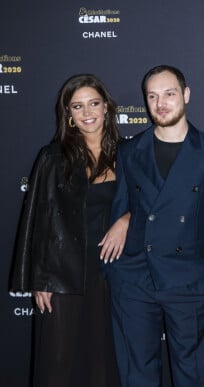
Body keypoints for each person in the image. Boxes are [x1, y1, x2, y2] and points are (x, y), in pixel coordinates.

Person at [106, 65, 204, 387]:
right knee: (137, 374)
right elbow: (124, 205)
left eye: (169, 94)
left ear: (185, 95)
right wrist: (125, 219)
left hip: (190, 281)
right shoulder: (130, 150)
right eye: (152, 96)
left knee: (194, 375)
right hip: (135, 279)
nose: (161, 103)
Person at [10, 74, 126, 387]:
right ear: (69, 115)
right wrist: (41, 279)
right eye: (77, 106)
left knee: (105, 359)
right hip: (62, 275)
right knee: (58, 363)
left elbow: (151, 204)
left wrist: (126, 219)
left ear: (106, 107)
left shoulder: (129, 154)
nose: (87, 112)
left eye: (93, 103)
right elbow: (37, 221)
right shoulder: (52, 157)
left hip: (113, 274)